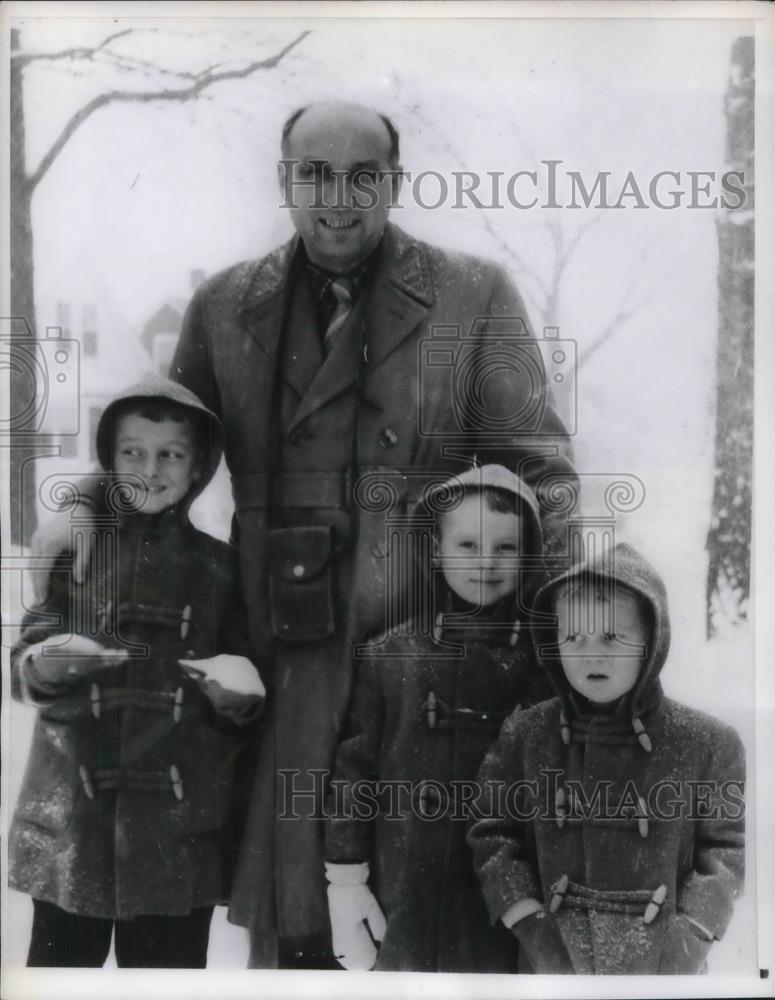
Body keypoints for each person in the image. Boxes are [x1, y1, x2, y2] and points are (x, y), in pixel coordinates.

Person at [30, 101, 578, 968]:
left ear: (394, 183)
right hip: (278, 658)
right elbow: (168, 449)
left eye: (364, 175)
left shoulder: (472, 297)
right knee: (294, 926)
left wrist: (549, 636)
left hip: (425, 662)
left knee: (431, 917)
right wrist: (88, 518)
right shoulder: (224, 306)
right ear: (283, 180)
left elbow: (542, 473)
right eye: (314, 173)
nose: (338, 197)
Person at [9, 376, 265, 968]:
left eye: (171, 454)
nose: (151, 470)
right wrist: (48, 663)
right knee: (61, 979)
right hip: (75, 824)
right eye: (133, 452)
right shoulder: (77, 549)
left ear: (199, 466)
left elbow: (244, 684)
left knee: (165, 979)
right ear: (110, 457)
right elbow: (24, 664)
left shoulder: (221, 569)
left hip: (175, 833)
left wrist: (237, 696)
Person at [467, 543, 745, 975]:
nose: (591, 654)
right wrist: (528, 921)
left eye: (612, 637)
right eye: (573, 637)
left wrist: (689, 934)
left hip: (662, 969)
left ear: (650, 642)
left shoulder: (708, 744)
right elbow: (492, 834)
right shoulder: (526, 735)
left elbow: (725, 852)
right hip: (551, 963)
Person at [324, 464, 554, 973]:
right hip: (405, 884)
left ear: (529, 556)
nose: (486, 563)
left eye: (506, 547)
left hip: (507, 895)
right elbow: (355, 770)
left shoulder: (546, 664)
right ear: (435, 551)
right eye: (468, 545)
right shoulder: (391, 655)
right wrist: (346, 878)